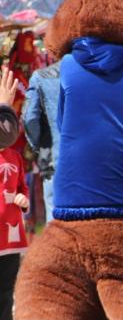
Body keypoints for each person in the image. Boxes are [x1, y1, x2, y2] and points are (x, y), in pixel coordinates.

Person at [0, 67, 29, 320]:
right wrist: (4, 106)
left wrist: (23, 200)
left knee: (6, 291)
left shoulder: (14, 157)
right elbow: (6, 132)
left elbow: (22, 187)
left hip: (8, 231)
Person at [23, 61, 61, 222]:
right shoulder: (99, 71)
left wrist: (37, 146)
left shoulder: (42, 76)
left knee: (56, 231)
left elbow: (30, 118)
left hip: (54, 159)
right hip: (96, 165)